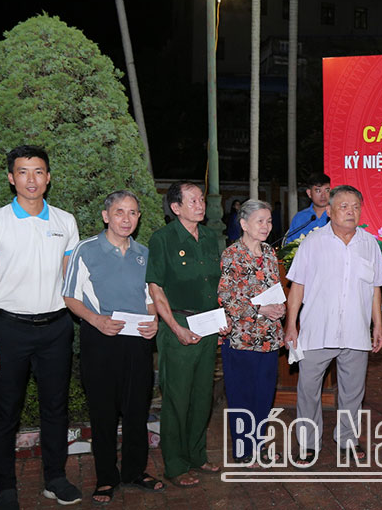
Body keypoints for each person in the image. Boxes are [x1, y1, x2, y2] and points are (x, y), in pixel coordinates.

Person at [0, 145, 82, 509]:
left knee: (55, 407)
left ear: (48, 177)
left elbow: (71, 281)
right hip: (9, 329)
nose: (31, 179)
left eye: (38, 171)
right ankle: (5, 488)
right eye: (23, 171)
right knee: (6, 410)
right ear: (11, 177)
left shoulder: (65, 222)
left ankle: (55, 478)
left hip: (56, 328)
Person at [62, 190, 165, 504]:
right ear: (106, 216)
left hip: (138, 340)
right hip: (101, 338)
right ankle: (106, 478)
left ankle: (135, 471)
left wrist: (155, 323)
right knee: (103, 413)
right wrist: (96, 321)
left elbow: (150, 298)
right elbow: (69, 296)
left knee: (137, 410)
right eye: (120, 212)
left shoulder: (144, 253)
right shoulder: (85, 250)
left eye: (133, 212)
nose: (126, 218)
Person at [285, 185, 382, 463]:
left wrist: (377, 326)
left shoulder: (369, 244)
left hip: (356, 330)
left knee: (353, 392)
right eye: (343, 206)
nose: (350, 212)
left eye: (355, 206)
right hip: (317, 329)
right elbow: (297, 286)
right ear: (329, 211)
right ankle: (308, 443)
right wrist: (291, 325)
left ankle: (348, 439)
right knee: (308, 390)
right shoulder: (312, 242)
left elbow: (376, 288)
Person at [145, 182, 223, 488]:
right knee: (177, 397)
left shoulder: (209, 237)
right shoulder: (162, 239)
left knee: (202, 394)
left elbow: (214, 284)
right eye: (192, 200)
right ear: (176, 208)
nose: (200, 204)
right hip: (178, 323)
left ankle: (197, 455)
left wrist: (220, 320)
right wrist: (175, 327)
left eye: (201, 199)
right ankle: (175, 465)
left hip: (207, 326)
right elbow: (156, 287)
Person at [217, 200, 285, 464]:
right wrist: (260, 311)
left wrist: (279, 308)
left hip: (268, 338)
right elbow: (226, 298)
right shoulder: (232, 254)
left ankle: (259, 444)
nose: (266, 226)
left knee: (264, 394)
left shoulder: (269, 252)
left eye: (269, 221)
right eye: (260, 221)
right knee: (241, 396)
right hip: (242, 338)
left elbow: (274, 289)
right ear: (244, 224)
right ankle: (244, 450)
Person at [284, 172, 331, 244]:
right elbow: (289, 246)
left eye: (327, 190)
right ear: (309, 193)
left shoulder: (337, 215)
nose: (323, 195)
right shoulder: (299, 218)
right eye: (318, 191)